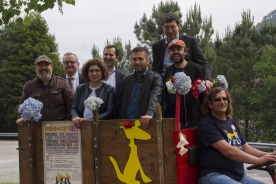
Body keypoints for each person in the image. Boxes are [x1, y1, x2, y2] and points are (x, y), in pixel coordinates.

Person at [197, 87, 276, 184]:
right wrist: (258, 161)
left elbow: (246, 148)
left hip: (238, 176)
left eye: (224, 99)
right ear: (210, 104)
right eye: (217, 99)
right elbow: (228, 151)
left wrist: (269, 155)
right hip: (215, 175)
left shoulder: (230, 121)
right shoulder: (207, 124)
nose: (222, 102)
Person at [152, 12, 212, 88]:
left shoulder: (190, 41)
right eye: (167, 27)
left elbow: (204, 64)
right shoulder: (157, 46)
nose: (170, 30)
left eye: (173, 27)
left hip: (188, 87)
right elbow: (155, 70)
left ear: (178, 26)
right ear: (162, 28)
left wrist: (207, 80)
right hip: (165, 88)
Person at [16, 55, 73, 126]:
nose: (43, 68)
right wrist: (20, 118)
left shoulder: (63, 83)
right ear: (35, 68)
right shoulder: (29, 86)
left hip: (58, 128)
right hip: (37, 128)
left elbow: (71, 106)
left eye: (46, 65)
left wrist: (66, 123)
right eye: (40, 65)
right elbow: (21, 106)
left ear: (52, 67)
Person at [117, 47, 163, 129]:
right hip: (126, 126)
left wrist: (149, 113)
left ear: (147, 60)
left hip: (146, 125)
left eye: (140, 59)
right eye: (134, 59)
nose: (137, 62)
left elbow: (155, 97)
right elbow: (120, 103)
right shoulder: (126, 79)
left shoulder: (156, 78)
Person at [163, 40, 205, 129]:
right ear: (169, 53)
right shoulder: (168, 71)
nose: (176, 52)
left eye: (179, 49)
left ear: (185, 51)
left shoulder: (197, 69)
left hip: (193, 121)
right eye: (172, 50)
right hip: (172, 121)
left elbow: (204, 95)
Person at [71, 58, 115, 127]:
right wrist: (75, 117)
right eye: (91, 71)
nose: (94, 73)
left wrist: (91, 120)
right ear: (87, 73)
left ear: (102, 72)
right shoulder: (80, 88)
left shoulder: (109, 89)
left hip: (101, 126)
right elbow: (73, 108)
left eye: (97, 70)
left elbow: (109, 111)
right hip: (81, 125)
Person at [102, 45, 125, 118]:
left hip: (115, 118)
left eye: (111, 55)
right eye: (106, 54)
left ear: (117, 58)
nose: (108, 57)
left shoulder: (123, 77)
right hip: (95, 117)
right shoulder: (93, 75)